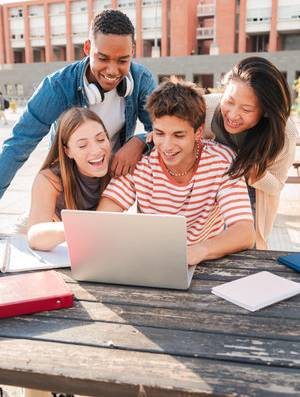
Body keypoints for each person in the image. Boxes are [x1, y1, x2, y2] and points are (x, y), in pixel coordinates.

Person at [0, 9, 156, 199]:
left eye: (123, 60)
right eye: (103, 58)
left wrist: (139, 141)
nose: (113, 70)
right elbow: (18, 144)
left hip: (109, 187)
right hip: (67, 186)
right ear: (88, 48)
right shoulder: (57, 87)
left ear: (132, 51)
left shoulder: (142, 81)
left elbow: (163, 132)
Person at [98, 78, 255, 266]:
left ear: (198, 132)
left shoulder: (222, 160)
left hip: (206, 263)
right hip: (151, 262)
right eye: (159, 133)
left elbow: (245, 232)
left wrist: (198, 251)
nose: (167, 146)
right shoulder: (139, 161)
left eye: (178, 135)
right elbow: (102, 220)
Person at [202, 56, 297, 249]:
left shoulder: (283, 132)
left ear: (265, 111)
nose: (233, 115)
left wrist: (254, 170)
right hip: (210, 182)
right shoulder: (206, 108)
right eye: (229, 101)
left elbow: (277, 185)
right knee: (207, 245)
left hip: (251, 190)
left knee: (247, 247)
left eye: (246, 109)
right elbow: (167, 129)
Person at [28, 107, 111, 251]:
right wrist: (78, 226)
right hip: (45, 224)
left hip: (80, 237)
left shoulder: (117, 167)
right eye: (82, 145)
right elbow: (34, 237)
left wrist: (140, 140)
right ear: (68, 151)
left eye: (101, 139)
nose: (96, 150)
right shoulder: (49, 180)